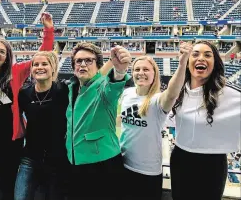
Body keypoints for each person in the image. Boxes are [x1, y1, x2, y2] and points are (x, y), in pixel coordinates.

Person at [0, 12, 54, 200]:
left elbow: (42, 56)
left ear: (6, 58)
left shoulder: (15, 74)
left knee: (9, 194)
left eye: (2, 51)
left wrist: (48, 30)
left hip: (12, 148)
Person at [119, 42, 193, 200]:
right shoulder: (127, 93)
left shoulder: (158, 100)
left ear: (154, 74)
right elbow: (125, 121)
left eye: (146, 69)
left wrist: (182, 64)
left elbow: (172, 94)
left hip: (147, 171)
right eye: (137, 69)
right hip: (123, 164)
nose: (141, 73)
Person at [170, 41, 241, 200]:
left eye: (207, 55)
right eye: (195, 54)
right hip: (181, 160)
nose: (201, 58)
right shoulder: (177, 91)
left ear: (215, 63)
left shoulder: (231, 94)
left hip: (213, 165)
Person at [66, 42, 132, 200]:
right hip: (76, 165)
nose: (83, 64)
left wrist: (120, 70)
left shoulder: (102, 85)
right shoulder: (71, 89)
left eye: (89, 61)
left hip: (103, 166)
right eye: (78, 61)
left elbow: (114, 85)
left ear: (98, 65)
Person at [14, 51, 69, 200]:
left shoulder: (64, 91)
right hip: (30, 157)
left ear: (53, 67)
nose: (39, 67)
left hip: (58, 159)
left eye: (44, 64)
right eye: (35, 64)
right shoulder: (24, 94)